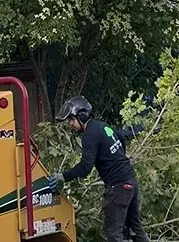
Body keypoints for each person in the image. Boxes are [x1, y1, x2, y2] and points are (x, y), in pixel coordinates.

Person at [49, 96, 149, 242]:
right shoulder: (102, 126)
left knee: (114, 235)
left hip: (118, 187)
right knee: (135, 229)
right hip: (130, 181)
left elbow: (85, 167)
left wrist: (63, 177)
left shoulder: (89, 134)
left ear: (82, 115)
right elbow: (120, 136)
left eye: (71, 119)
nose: (70, 123)